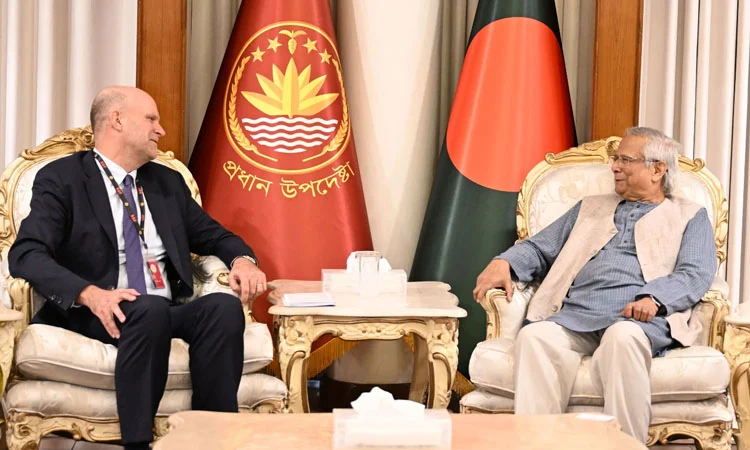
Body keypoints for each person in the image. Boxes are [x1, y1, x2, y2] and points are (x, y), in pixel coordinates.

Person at [9, 86, 268, 450]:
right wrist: (90, 294)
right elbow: (26, 254)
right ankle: (138, 444)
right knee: (149, 310)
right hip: (98, 311)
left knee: (222, 308)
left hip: (160, 309)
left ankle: (212, 437)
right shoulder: (64, 178)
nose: (160, 129)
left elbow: (216, 236)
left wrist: (243, 261)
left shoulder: (166, 183)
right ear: (117, 120)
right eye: (151, 119)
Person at [472, 127, 716, 442]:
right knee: (536, 336)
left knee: (622, 337)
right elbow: (540, 247)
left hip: (639, 320)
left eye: (626, 160)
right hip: (576, 314)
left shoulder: (690, 216)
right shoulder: (590, 207)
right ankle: (537, 443)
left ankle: (624, 445)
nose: (615, 167)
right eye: (616, 159)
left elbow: (695, 273)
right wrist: (505, 262)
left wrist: (654, 299)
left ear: (657, 170)